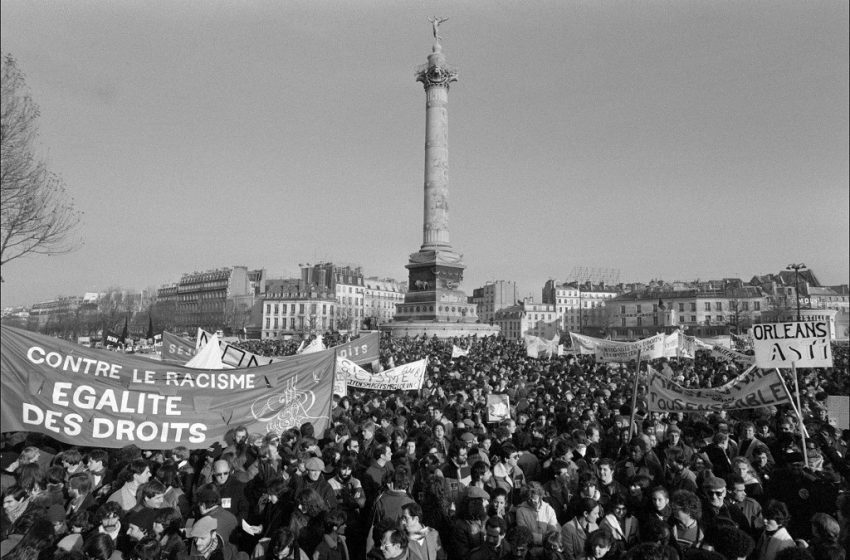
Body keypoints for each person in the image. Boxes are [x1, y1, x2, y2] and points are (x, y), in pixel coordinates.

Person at [514, 482, 559, 554]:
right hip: (529, 549)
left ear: (540, 496)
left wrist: (545, 540)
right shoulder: (520, 511)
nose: (532, 501)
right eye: (529, 499)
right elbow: (524, 533)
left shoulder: (548, 509)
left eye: (534, 498)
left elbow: (552, 531)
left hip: (546, 549)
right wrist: (543, 538)